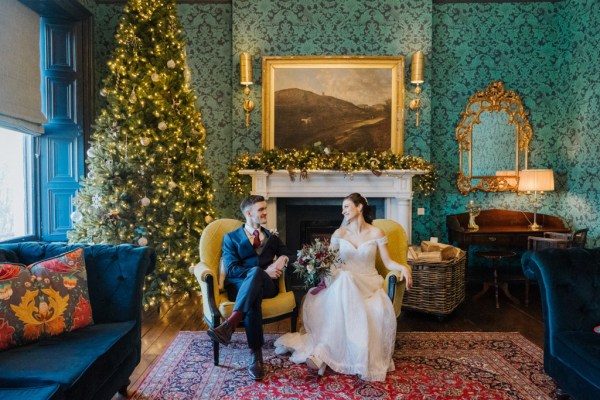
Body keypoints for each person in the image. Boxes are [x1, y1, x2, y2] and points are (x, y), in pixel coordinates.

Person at [274, 193, 412, 381]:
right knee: (345, 277)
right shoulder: (339, 234)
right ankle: (321, 353)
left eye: (346, 206)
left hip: (368, 283)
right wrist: (318, 269)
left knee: (346, 279)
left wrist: (403, 267)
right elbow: (330, 263)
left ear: (359, 207)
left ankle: (326, 354)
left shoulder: (376, 233)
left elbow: (388, 262)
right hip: (343, 282)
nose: (342, 211)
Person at [207, 195, 289, 381]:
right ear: (248, 213)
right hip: (239, 286)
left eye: (265, 208)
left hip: (269, 286)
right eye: (261, 210)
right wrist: (261, 272)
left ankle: (231, 323)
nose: (265, 212)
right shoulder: (231, 238)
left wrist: (282, 260)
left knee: (257, 276)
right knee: (254, 291)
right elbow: (231, 269)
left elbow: (286, 252)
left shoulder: (271, 237)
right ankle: (255, 355)